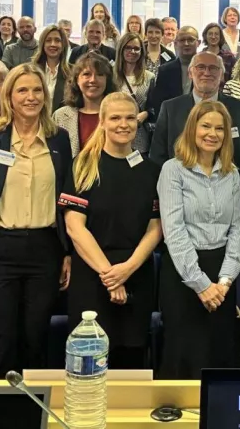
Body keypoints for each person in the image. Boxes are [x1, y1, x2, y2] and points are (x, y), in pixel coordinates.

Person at [0, 63, 73, 377]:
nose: (31, 97)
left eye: (37, 90)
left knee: (34, 342)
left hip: (44, 250)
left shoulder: (59, 139)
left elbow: (66, 197)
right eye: (22, 90)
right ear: (9, 96)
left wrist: (67, 252)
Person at [62, 92, 162, 369]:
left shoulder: (151, 170)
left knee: (131, 359)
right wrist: (111, 276)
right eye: (115, 118)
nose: (123, 124)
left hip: (136, 273)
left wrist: (127, 270)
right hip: (93, 276)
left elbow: (155, 228)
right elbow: (75, 227)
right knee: (89, 361)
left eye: (130, 118)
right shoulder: (83, 165)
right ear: (102, 122)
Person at [157, 100, 240, 378]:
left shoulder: (232, 173)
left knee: (219, 352)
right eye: (206, 125)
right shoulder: (173, 170)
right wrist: (201, 284)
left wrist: (224, 282)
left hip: (222, 276)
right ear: (192, 128)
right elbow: (174, 231)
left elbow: (237, 230)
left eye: (220, 128)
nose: (213, 133)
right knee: (184, 354)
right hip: (183, 274)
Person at [150, 52, 240, 171]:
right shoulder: (170, 108)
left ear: (221, 75)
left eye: (213, 68)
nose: (207, 73)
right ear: (190, 73)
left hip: (229, 183)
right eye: (200, 67)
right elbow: (157, 154)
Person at [147, 26, 200, 123]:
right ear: (175, 43)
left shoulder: (206, 69)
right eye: (182, 40)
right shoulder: (165, 71)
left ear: (198, 43)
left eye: (191, 40)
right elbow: (159, 103)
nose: (186, 43)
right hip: (173, 123)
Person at [112, 34, 153, 153]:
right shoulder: (110, 75)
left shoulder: (149, 77)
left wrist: (145, 114)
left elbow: (154, 106)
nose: (132, 51)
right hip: (115, 132)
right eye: (128, 48)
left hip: (139, 136)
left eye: (136, 48)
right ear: (121, 49)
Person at [33, 25, 70, 111]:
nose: (53, 44)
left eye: (57, 40)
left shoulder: (72, 73)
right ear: (43, 44)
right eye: (48, 40)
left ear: (63, 44)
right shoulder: (32, 70)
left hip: (61, 122)